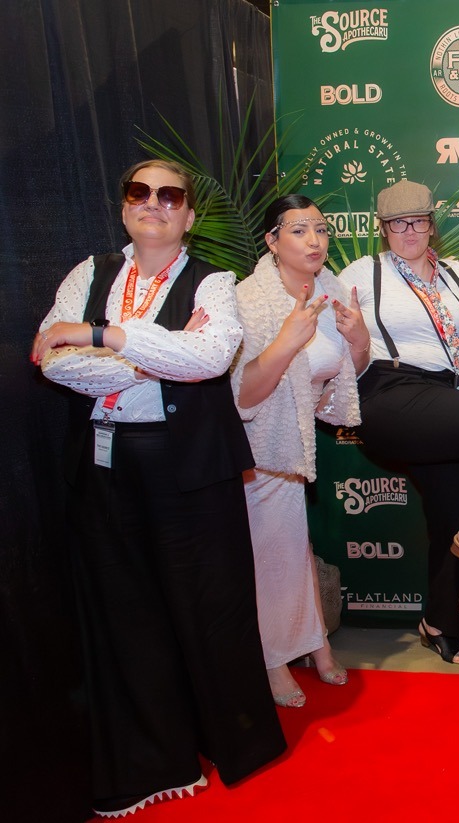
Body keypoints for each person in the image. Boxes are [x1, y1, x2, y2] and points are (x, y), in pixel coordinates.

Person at [31, 160, 285, 816]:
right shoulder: (87, 274)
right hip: (105, 467)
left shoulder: (214, 281)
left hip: (192, 469)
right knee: (127, 612)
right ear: (123, 207)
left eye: (169, 195)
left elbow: (207, 358)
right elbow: (53, 362)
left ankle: (231, 742)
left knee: (210, 608)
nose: (154, 203)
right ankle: (155, 758)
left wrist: (104, 336)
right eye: (139, 192)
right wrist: (158, 352)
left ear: (189, 216)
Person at [338, 179, 459, 665]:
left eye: (417, 221)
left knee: (449, 512)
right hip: (390, 391)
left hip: (445, 397)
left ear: (431, 224)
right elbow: (333, 332)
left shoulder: (455, 273)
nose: (409, 231)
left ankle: (438, 620)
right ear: (383, 230)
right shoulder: (363, 271)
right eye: (397, 224)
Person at [232, 194, 364, 706]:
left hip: (296, 440)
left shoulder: (329, 288)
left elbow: (346, 374)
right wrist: (287, 340)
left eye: (321, 229)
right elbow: (241, 395)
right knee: (275, 556)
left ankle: (313, 643)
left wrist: (358, 340)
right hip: (255, 445)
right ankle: (273, 660)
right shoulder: (249, 300)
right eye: (299, 230)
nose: (315, 240)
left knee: (291, 551)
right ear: (272, 240)